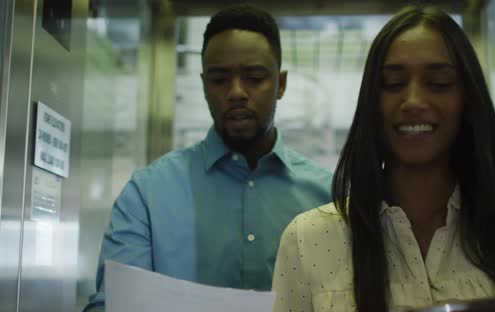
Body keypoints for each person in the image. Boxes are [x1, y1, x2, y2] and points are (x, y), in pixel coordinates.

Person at [272, 6, 495, 312]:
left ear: (467, 100)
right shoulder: (308, 239)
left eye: (439, 84)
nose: (413, 101)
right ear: (371, 102)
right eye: (393, 84)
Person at [84, 5, 332, 311]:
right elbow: (112, 305)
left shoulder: (329, 199)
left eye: (254, 77)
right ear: (203, 85)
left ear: (280, 84)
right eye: (219, 79)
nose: (236, 92)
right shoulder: (147, 195)